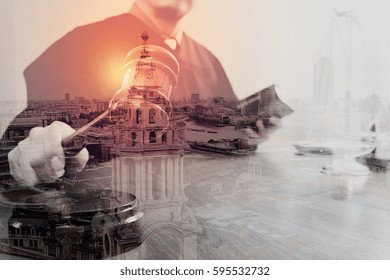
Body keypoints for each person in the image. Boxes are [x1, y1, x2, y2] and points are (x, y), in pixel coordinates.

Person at [5, 0, 289, 187]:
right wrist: (43, 142)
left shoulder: (209, 61)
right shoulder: (77, 43)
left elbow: (226, 135)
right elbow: (35, 133)